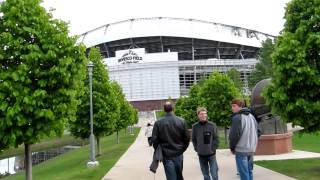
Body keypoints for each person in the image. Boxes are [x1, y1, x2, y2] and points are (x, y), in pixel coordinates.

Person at [151, 101, 190, 180]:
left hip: (167, 154)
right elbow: (187, 138)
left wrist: (159, 149)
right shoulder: (181, 121)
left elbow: (154, 140)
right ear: (173, 109)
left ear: (164, 110)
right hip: (177, 153)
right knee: (179, 176)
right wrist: (182, 149)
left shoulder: (158, 123)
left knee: (171, 177)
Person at [229, 98, 259, 180]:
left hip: (241, 150)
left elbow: (234, 135)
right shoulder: (252, 117)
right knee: (249, 171)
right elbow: (258, 132)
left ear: (240, 106)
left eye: (234, 106)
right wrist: (253, 142)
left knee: (244, 173)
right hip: (251, 149)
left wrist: (232, 148)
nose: (232, 108)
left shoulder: (237, 118)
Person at [192, 107, 219, 180]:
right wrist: (196, 148)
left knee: (214, 175)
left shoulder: (212, 125)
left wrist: (213, 148)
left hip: (211, 154)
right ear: (198, 115)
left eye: (205, 114)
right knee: (206, 176)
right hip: (201, 155)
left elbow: (216, 138)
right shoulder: (195, 126)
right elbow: (194, 139)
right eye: (201, 114)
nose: (203, 115)